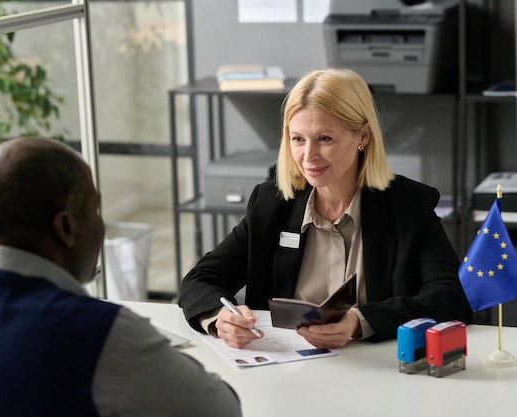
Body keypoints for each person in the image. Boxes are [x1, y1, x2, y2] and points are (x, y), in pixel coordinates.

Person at [178, 68, 473, 350]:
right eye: (298, 139)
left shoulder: (409, 206)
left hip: (376, 372)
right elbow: (200, 280)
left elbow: (448, 298)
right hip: (282, 371)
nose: (308, 156)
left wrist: (358, 322)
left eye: (325, 139)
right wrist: (219, 318)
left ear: (363, 137)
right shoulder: (271, 204)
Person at [0, 137, 241, 417]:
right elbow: (221, 410)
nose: (102, 228)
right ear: (66, 228)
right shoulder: (103, 335)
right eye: (95, 211)